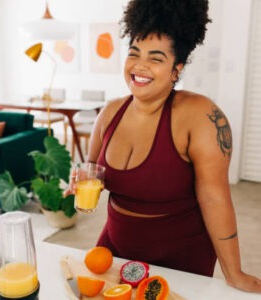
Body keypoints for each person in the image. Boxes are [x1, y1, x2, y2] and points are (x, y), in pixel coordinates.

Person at [65, 0, 261, 293]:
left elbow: (215, 198)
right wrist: (81, 181)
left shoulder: (201, 116)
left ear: (176, 70)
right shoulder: (109, 113)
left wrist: (233, 272)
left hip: (181, 257)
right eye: (134, 53)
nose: (140, 66)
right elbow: (93, 173)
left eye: (156, 58)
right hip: (115, 247)